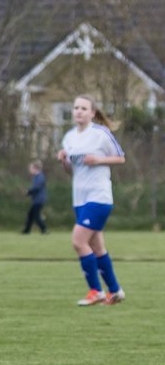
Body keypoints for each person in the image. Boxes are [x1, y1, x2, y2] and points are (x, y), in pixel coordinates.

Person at [57, 94, 127, 306]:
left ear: (92, 113)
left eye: (83, 108)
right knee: (97, 248)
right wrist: (64, 161)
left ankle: (95, 291)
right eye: (76, 107)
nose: (78, 111)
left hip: (99, 196)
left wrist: (99, 160)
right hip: (79, 198)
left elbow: (121, 157)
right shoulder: (69, 137)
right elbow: (72, 170)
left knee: (78, 241)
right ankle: (115, 291)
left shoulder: (101, 134)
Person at [22, 160, 49, 235]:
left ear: (35, 168)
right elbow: (35, 188)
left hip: (39, 200)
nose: (30, 170)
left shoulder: (40, 176)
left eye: (31, 168)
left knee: (35, 215)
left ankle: (44, 229)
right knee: (31, 215)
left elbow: (37, 187)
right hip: (36, 200)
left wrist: (28, 191)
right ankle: (27, 230)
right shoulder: (36, 177)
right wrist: (29, 193)